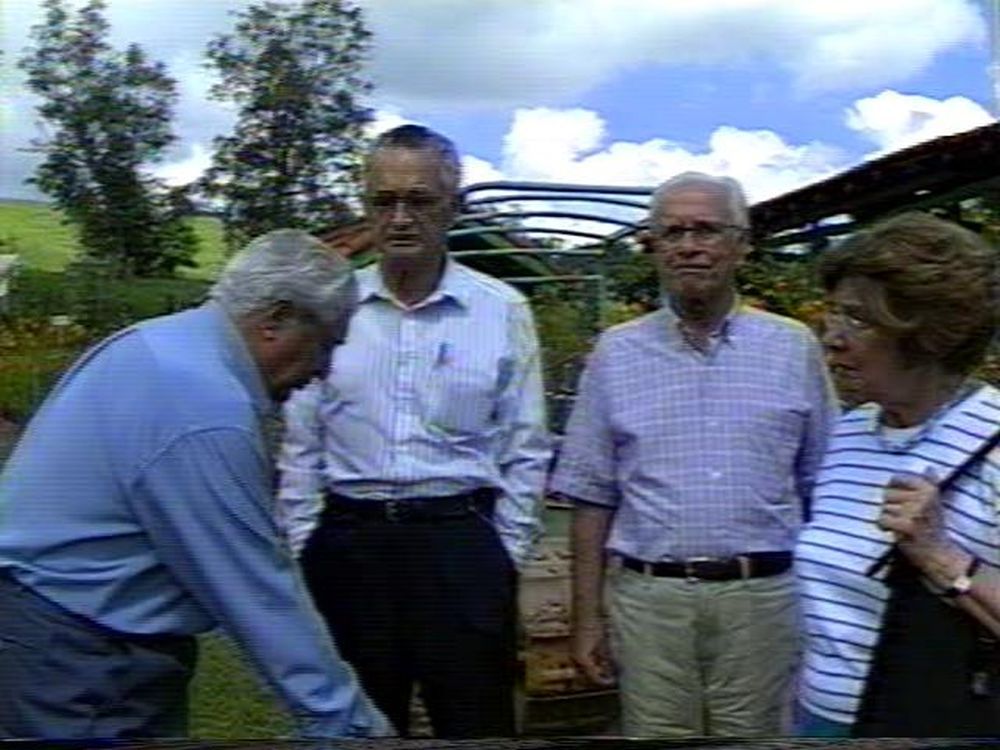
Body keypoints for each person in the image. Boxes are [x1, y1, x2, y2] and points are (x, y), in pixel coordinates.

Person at [0, 230, 390, 740]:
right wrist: (344, 721)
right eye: (326, 344)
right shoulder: (202, 405)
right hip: (77, 658)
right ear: (276, 319)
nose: (323, 370)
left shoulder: (161, 343)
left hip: (63, 636)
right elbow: (253, 585)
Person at [275, 124, 551, 738]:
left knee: (476, 724)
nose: (400, 218)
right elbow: (301, 445)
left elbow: (526, 446)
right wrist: (306, 543)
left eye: (419, 201)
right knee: (355, 725)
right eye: (384, 201)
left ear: (452, 207)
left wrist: (502, 556)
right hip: (348, 545)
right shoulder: (332, 307)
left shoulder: (501, 310)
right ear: (366, 205)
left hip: (459, 543)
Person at [551, 171, 838, 737]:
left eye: (706, 230)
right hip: (649, 602)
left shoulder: (793, 347)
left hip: (762, 600)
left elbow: (823, 484)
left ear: (741, 245)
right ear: (653, 246)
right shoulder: (616, 353)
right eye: (672, 232)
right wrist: (585, 620)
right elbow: (591, 496)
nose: (688, 246)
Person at [795, 212, 1000, 737]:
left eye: (858, 320)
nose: (831, 337)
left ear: (928, 335)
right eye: (834, 312)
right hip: (822, 719)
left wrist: (940, 556)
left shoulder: (993, 439)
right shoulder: (851, 430)